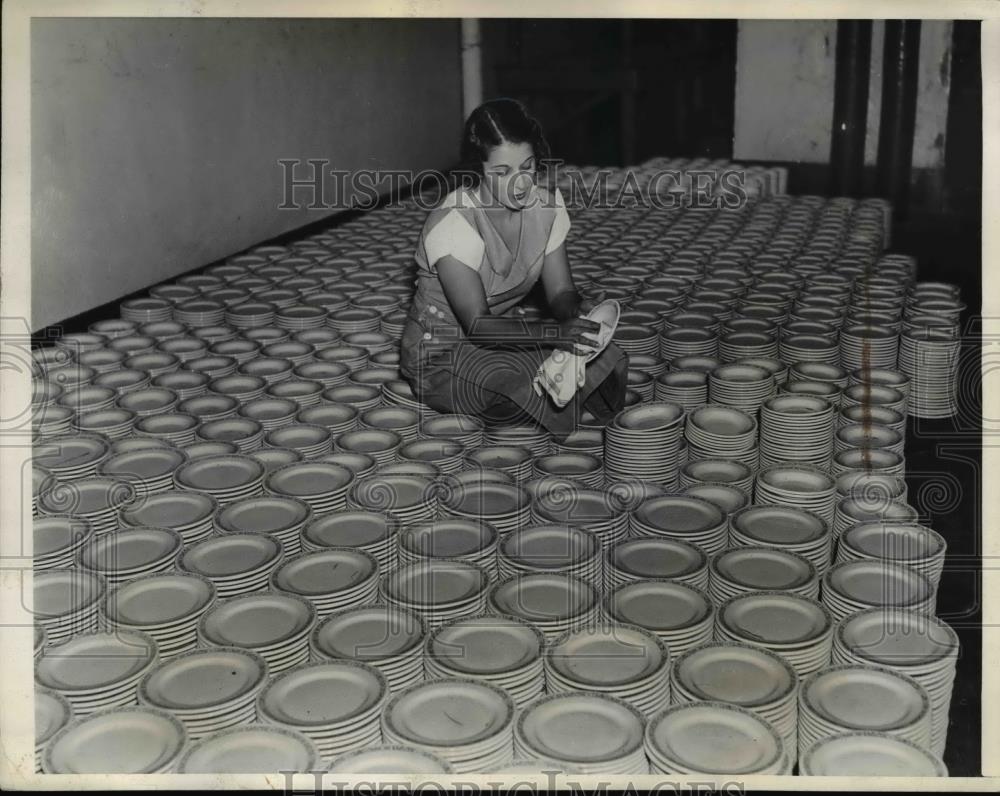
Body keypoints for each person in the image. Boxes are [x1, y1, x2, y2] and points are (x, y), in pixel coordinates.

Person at [398, 98, 629, 441]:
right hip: (444, 354)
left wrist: (576, 311)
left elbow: (560, 292)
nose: (520, 184)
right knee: (527, 390)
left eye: (527, 166)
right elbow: (478, 325)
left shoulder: (546, 207)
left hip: (504, 336)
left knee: (610, 358)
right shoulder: (454, 225)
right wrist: (553, 336)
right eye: (502, 172)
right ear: (479, 169)